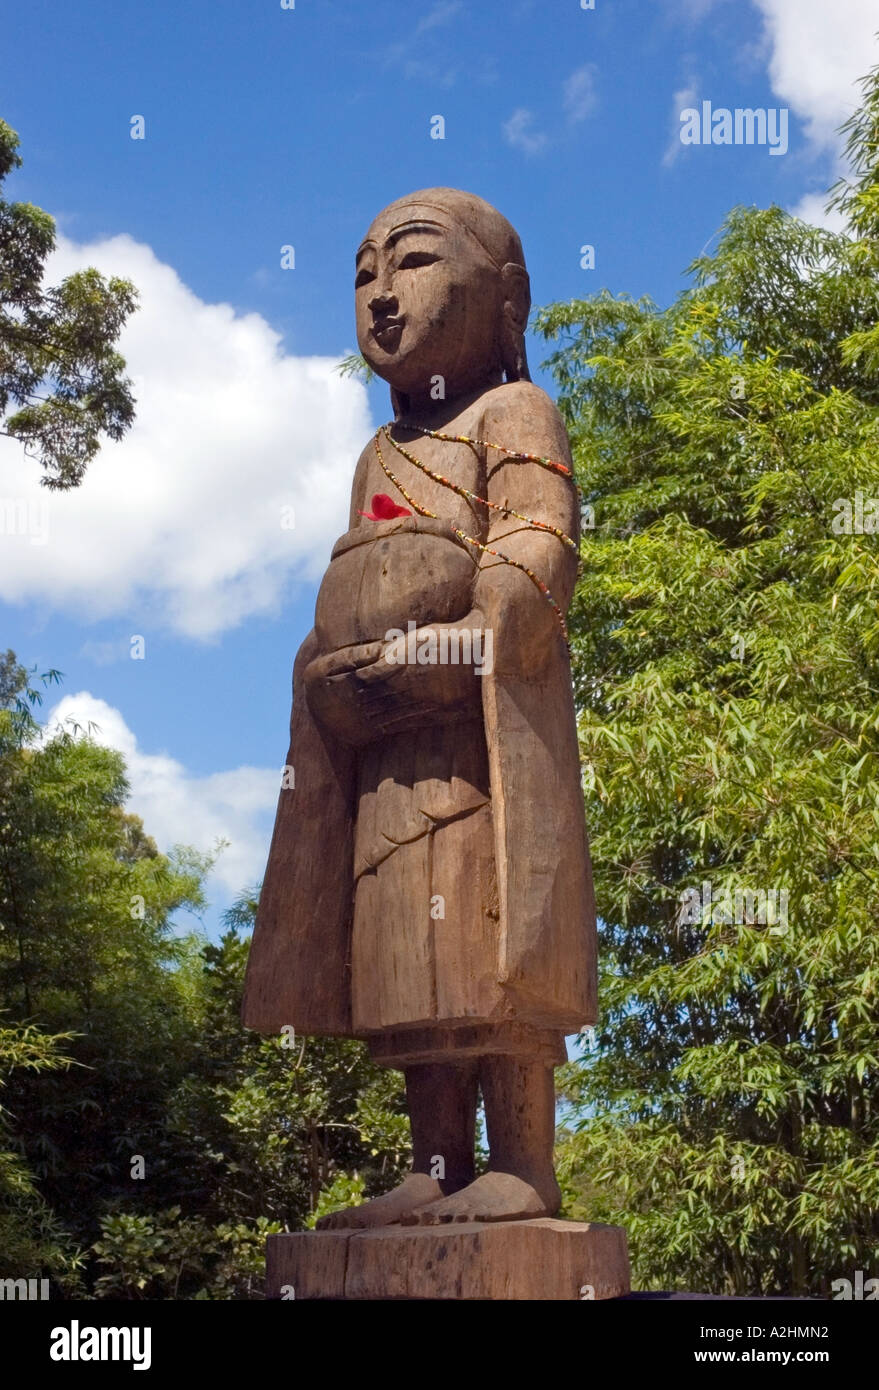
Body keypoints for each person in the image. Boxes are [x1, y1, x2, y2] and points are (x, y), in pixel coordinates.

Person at [243, 187, 597, 1227]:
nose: (382, 296)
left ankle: (523, 1164)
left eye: (414, 263)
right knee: (404, 953)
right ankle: (434, 1162)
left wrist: (479, 628)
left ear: (507, 296)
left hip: (482, 740)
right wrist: (336, 668)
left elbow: (540, 541)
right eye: (363, 274)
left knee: (494, 952)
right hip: (386, 745)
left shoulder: (515, 413)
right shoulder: (377, 456)